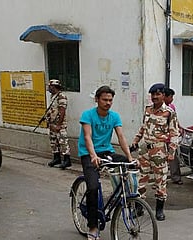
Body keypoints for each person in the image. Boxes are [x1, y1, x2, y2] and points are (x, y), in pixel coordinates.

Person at [78, 86, 134, 240]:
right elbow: (88, 137)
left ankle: (124, 200)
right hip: (89, 154)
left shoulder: (114, 116)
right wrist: (93, 155)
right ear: (97, 99)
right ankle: (93, 226)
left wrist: (129, 157)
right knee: (93, 188)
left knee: (129, 166)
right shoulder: (88, 115)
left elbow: (121, 137)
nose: (108, 103)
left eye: (110, 100)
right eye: (104, 99)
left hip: (106, 152)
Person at [131, 83, 179, 221]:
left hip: (160, 151)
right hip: (145, 150)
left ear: (163, 95)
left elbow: (174, 134)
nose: (154, 97)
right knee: (140, 179)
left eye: (157, 94)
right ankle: (139, 208)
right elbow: (143, 128)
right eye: (152, 94)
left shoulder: (169, 113)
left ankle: (159, 210)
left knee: (160, 181)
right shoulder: (147, 110)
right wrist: (136, 140)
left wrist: (171, 152)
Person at [45, 79, 71, 169]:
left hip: (59, 124)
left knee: (63, 141)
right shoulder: (53, 96)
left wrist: (59, 125)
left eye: (50, 86)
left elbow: (62, 111)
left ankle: (67, 160)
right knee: (53, 141)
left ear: (54, 87)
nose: (48, 88)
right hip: (52, 123)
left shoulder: (61, 97)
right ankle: (57, 158)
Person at [164, 87, 183, 185]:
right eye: (171, 97)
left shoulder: (172, 107)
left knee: (174, 158)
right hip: (162, 138)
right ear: (165, 97)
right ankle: (159, 181)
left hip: (171, 138)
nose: (172, 99)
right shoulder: (158, 109)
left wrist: (179, 127)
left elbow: (175, 119)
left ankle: (176, 177)